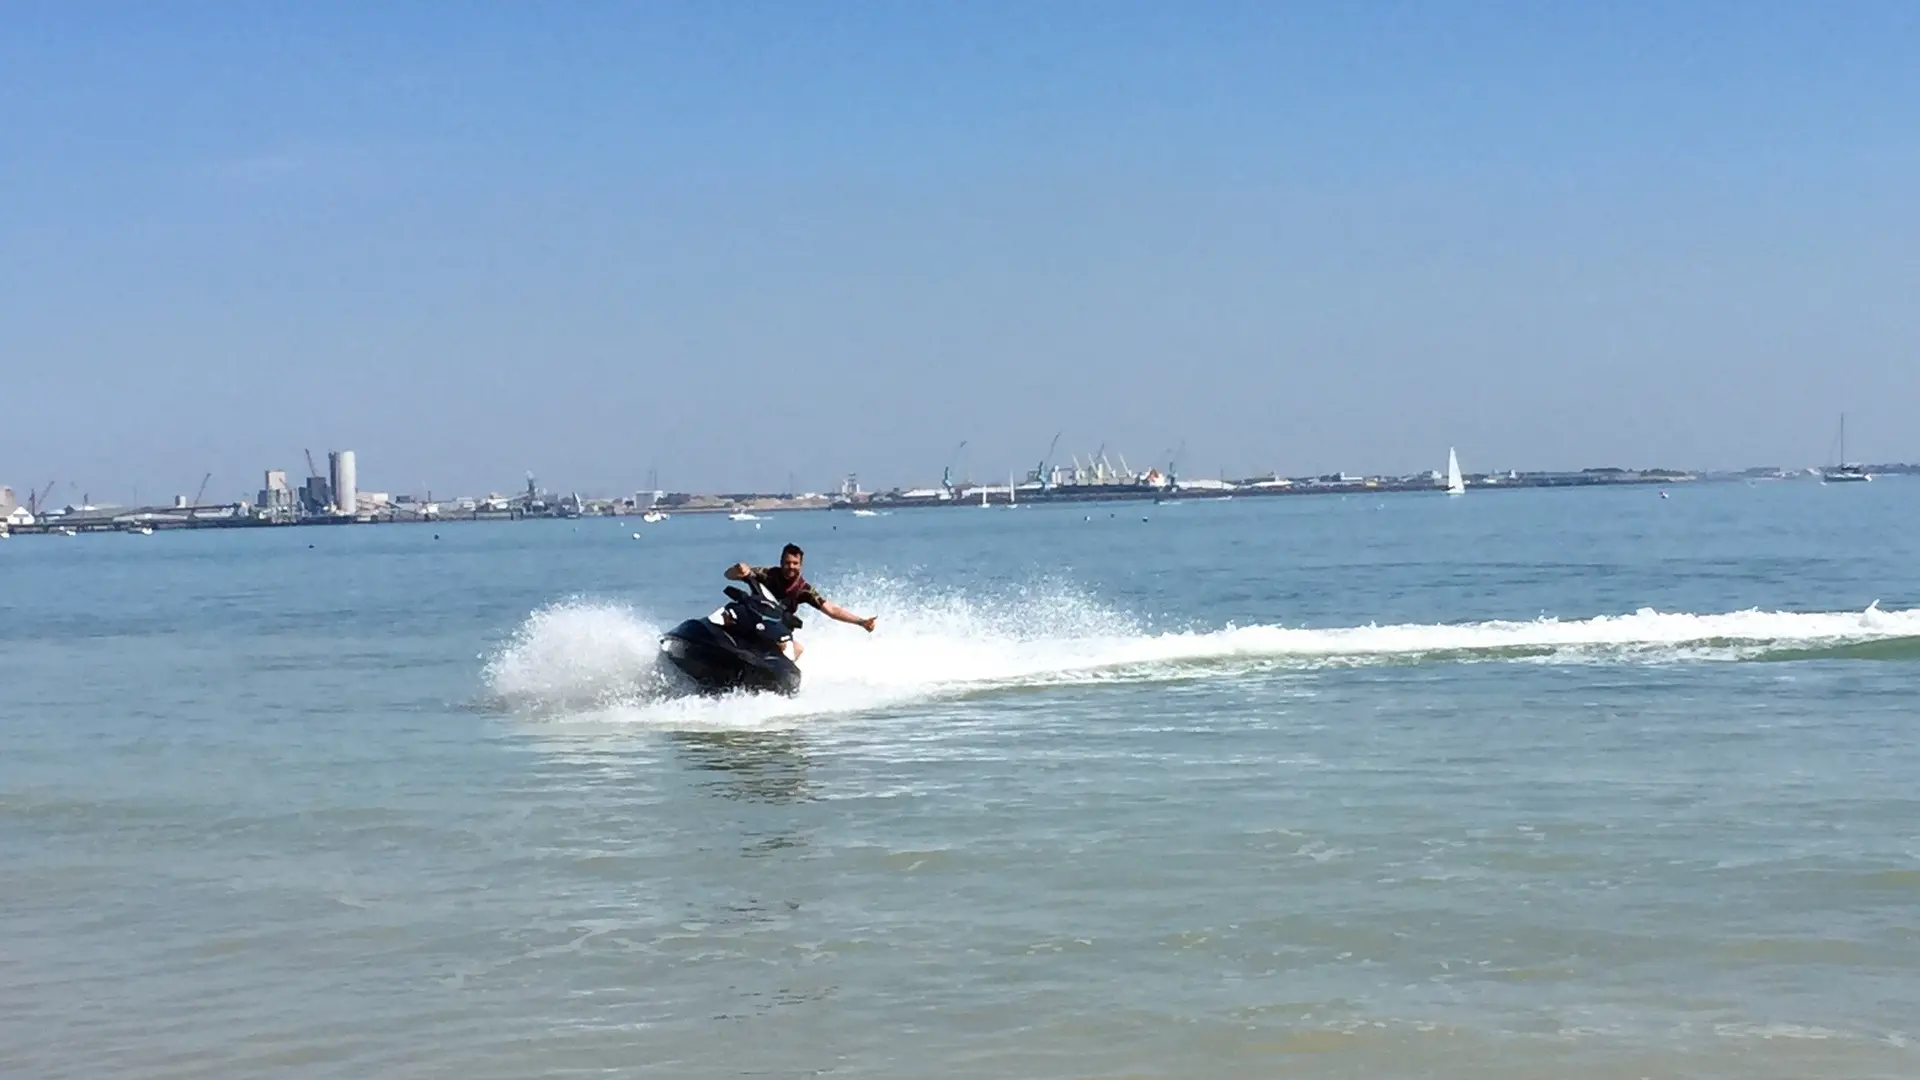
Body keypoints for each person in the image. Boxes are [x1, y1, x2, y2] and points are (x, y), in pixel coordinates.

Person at [725, 543, 875, 660]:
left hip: (777, 632)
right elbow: (731, 575)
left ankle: (775, 680)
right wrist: (738, 569)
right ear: (781, 562)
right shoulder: (767, 574)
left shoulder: (803, 590)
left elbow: (832, 610)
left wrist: (861, 622)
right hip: (753, 619)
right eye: (787, 562)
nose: (791, 567)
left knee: (797, 649)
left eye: (795, 563)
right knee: (727, 616)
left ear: (800, 565)